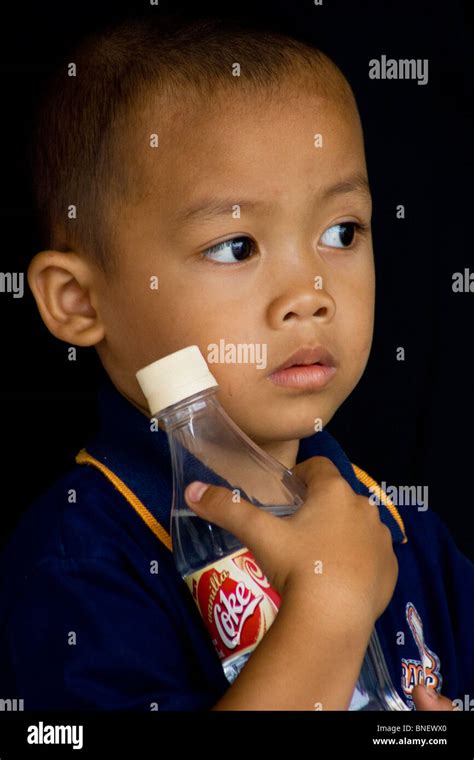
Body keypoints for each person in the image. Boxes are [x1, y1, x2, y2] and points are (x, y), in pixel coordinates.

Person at [0, 14, 472, 711]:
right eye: (235, 246)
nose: (310, 296)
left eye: (342, 232)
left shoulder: (400, 534)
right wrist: (330, 607)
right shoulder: (79, 563)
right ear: (78, 302)